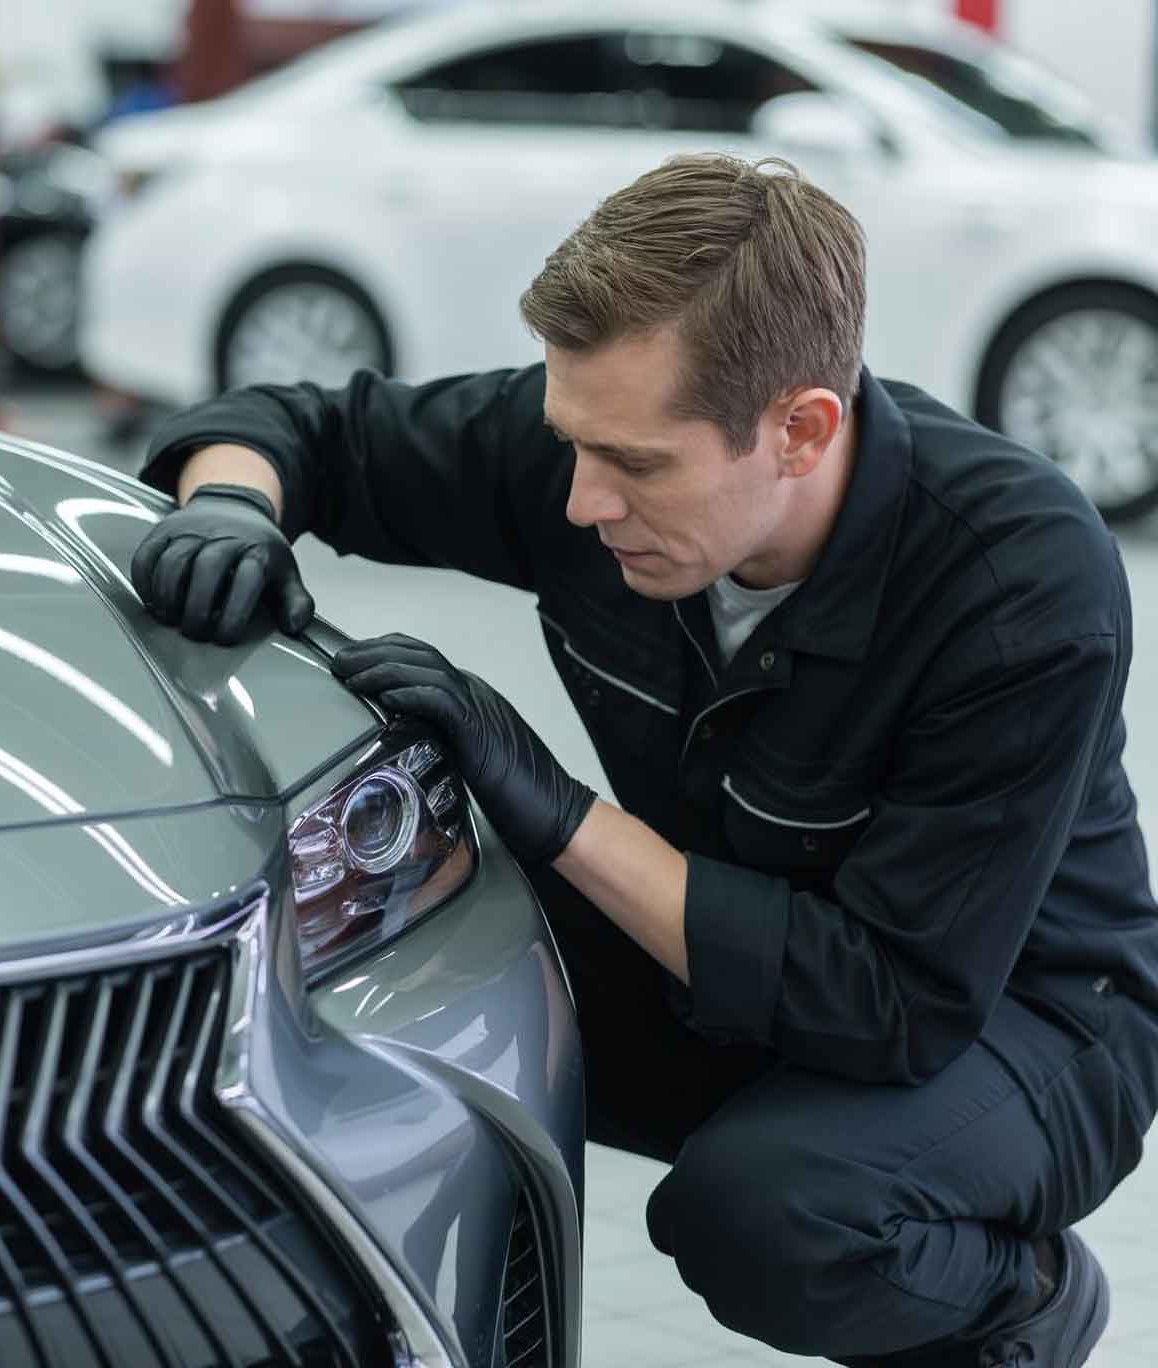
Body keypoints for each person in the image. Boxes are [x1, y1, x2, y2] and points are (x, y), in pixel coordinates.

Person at [128, 154, 1158, 1367]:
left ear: (799, 428)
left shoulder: (1013, 583)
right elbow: (298, 429)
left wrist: (555, 812)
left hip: (1016, 1022)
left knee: (770, 1211)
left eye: (636, 467)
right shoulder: (601, 444)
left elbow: (893, 1004)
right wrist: (229, 507)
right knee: (371, 951)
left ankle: (1013, 1307)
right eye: (573, 443)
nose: (579, 501)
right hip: (735, 947)